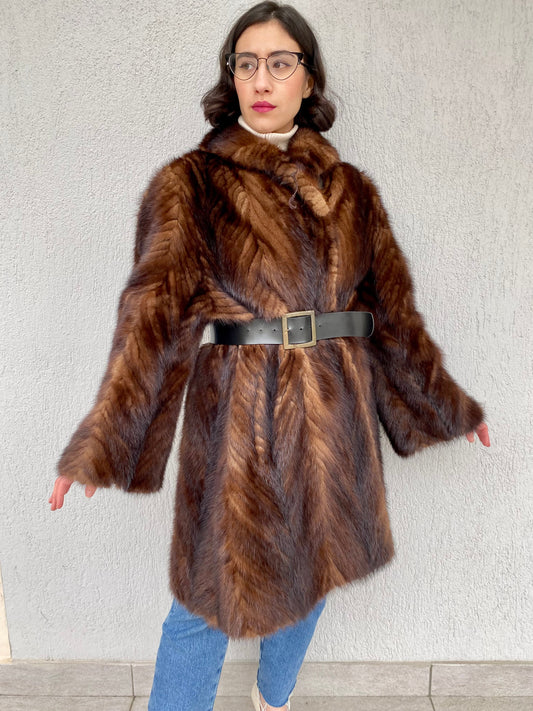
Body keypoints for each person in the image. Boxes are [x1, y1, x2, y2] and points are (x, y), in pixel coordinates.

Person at [49, 2, 491, 709]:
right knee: (205, 600)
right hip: (240, 416)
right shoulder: (191, 183)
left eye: (280, 63)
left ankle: (272, 696)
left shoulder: (351, 190)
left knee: (321, 564)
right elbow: (152, 318)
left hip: (336, 408)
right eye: (247, 63)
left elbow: (392, 314)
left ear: (308, 81)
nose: (262, 79)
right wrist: (106, 441)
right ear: (231, 77)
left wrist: (442, 402)